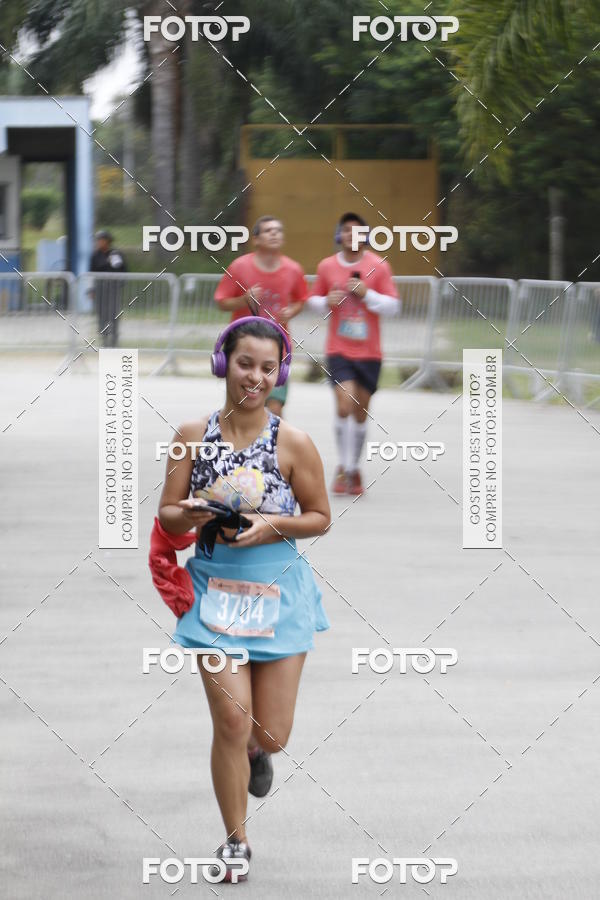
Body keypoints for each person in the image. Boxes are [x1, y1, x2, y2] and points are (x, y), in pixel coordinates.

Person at [154, 316, 331, 881]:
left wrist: (273, 526)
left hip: (280, 596)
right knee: (231, 722)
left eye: (267, 367)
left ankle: (259, 753)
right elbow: (167, 512)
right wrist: (190, 514)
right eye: (244, 363)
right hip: (216, 595)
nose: (255, 377)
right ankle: (236, 841)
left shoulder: (294, 443)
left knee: (270, 732)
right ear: (222, 363)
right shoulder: (190, 435)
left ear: (280, 373)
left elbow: (320, 517)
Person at [307, 212, 400, 496]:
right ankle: (343, 468)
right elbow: (312, 300)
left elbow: (394, 306)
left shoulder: (379, 266)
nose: (351, 235)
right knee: (344, 404)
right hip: (339, 349)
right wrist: (326, 301)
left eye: (358, 231)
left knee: (360, 413)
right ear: (339, 235)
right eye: (347, 230)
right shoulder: (327, 266)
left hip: (370, 352)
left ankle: (354, 468)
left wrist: (367, 294)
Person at [213, 216, 308, 416]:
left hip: (276, 348)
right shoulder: (239, 267)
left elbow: (301, 299)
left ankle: (272, 436)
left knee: (274, 408)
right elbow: (221, 301)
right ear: (255, 239)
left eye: (278, 230)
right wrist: (243, 300)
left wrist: (292, 311)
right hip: (243, 348)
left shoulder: (293, 269)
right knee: (243, 406)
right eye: (268, 230)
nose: (274, 233)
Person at [89, 229, 127, 347]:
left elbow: (122, 270)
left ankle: (114, 340)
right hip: (100, 289)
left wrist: (120, 284)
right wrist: (92, 290)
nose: (98, 242)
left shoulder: (116, 254)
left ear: (107, 241)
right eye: (98, 240)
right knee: (101, 315)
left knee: (113, 314)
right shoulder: (95, 255)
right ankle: (104, 340)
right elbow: (92, 273)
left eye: (101, 240)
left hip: (113, 290)